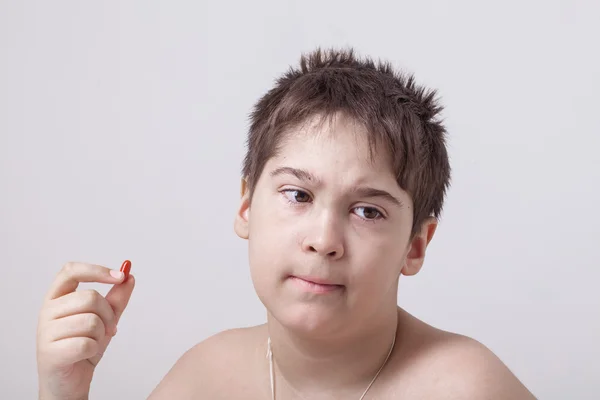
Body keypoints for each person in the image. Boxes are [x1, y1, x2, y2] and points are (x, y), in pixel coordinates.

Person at [36, 47, 537, 399]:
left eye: (368, 211)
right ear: (246, 207)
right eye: (298, 194)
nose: (323, 241)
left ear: (415, 246)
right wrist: (63, 393)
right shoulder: (204, 377)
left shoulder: (467, 388)